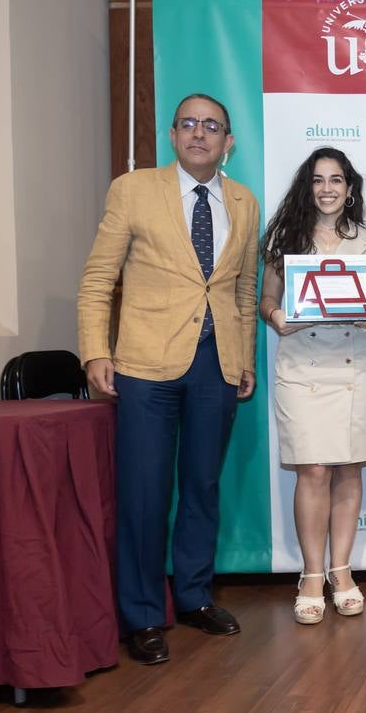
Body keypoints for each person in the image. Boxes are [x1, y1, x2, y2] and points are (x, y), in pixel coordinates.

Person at [77, 93, 259, 665]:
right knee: (144, 493)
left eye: (212, 127)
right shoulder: (133, 190)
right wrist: (93, 353)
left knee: (203, 487)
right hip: (144, 367)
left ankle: (195, 596)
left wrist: (244, 357)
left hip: (217, 366)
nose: (200, 134)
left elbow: (244, 290)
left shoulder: (244, 202)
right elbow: (97, 280)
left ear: (228, 141)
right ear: (173, 135)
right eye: (189, 124)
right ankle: (142, 614)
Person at [258, 147, 366, 625]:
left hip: (352, 365)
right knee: (313, 470)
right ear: (307, 186)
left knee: (348, 469)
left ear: (350, 188)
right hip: (302, 366)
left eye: (337, 180)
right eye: (318, 180)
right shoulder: (284, 236)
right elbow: (266, 299)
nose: (328, 188)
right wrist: (278, 318)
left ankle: (342, 570)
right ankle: (311, 574)